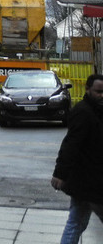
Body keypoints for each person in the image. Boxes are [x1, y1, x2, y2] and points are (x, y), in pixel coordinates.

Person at [52, 73, 103, 244]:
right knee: (76, 222)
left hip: (88, 181)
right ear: (87, 89)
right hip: (89, 181)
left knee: (76, 222)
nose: (102, 95)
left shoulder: (97, 110)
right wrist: (60, 174)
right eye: (98, 92)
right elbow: (70, 145)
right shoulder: (83, 112)